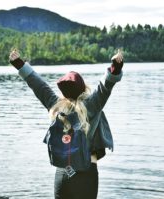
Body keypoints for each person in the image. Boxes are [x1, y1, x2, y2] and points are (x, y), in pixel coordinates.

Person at [9, 49, 124, 199]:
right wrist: (115, 67)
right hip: (86, 174)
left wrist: (20, 64)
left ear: (63, 92)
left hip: (62, 173)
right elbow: (105, 86)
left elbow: (38, 85)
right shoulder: (92, 104)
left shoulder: (56, 105)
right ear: (83, 87)